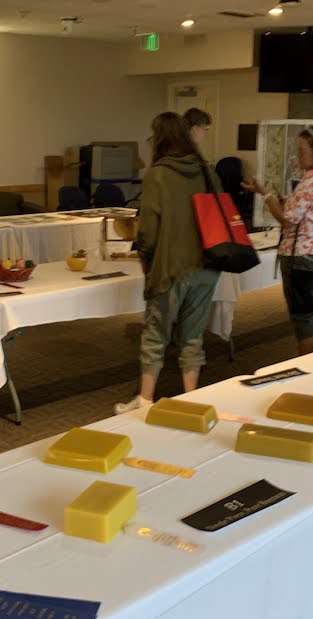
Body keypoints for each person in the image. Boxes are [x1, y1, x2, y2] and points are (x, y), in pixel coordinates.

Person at [115, 112, 220, 414]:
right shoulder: (207, 170)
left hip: (170, 267)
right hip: (207, 265)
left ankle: (145, 400)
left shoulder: (157, 174)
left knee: (155, 334)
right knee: (193, 337)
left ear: (159, 138)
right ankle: (191, 400)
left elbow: (148, 230)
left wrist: (146, 261)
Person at [242, 126, 313, 355]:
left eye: (302, 150)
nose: (297, 155)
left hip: (303, 257)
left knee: (304, 320)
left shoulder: (312, 180)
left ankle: (309, 368)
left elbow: (287, 220)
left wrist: (266, 194)